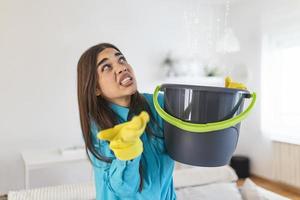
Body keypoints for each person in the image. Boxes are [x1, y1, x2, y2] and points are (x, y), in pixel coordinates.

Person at [77, 43, 176, 200]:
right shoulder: (98, 129)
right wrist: (127, 149)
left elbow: (196, 123)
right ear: (95, 88)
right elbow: (124, 190)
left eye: (121, 59)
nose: (121, 67)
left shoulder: (159, 104)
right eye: (106, 67)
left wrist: (225, 103)